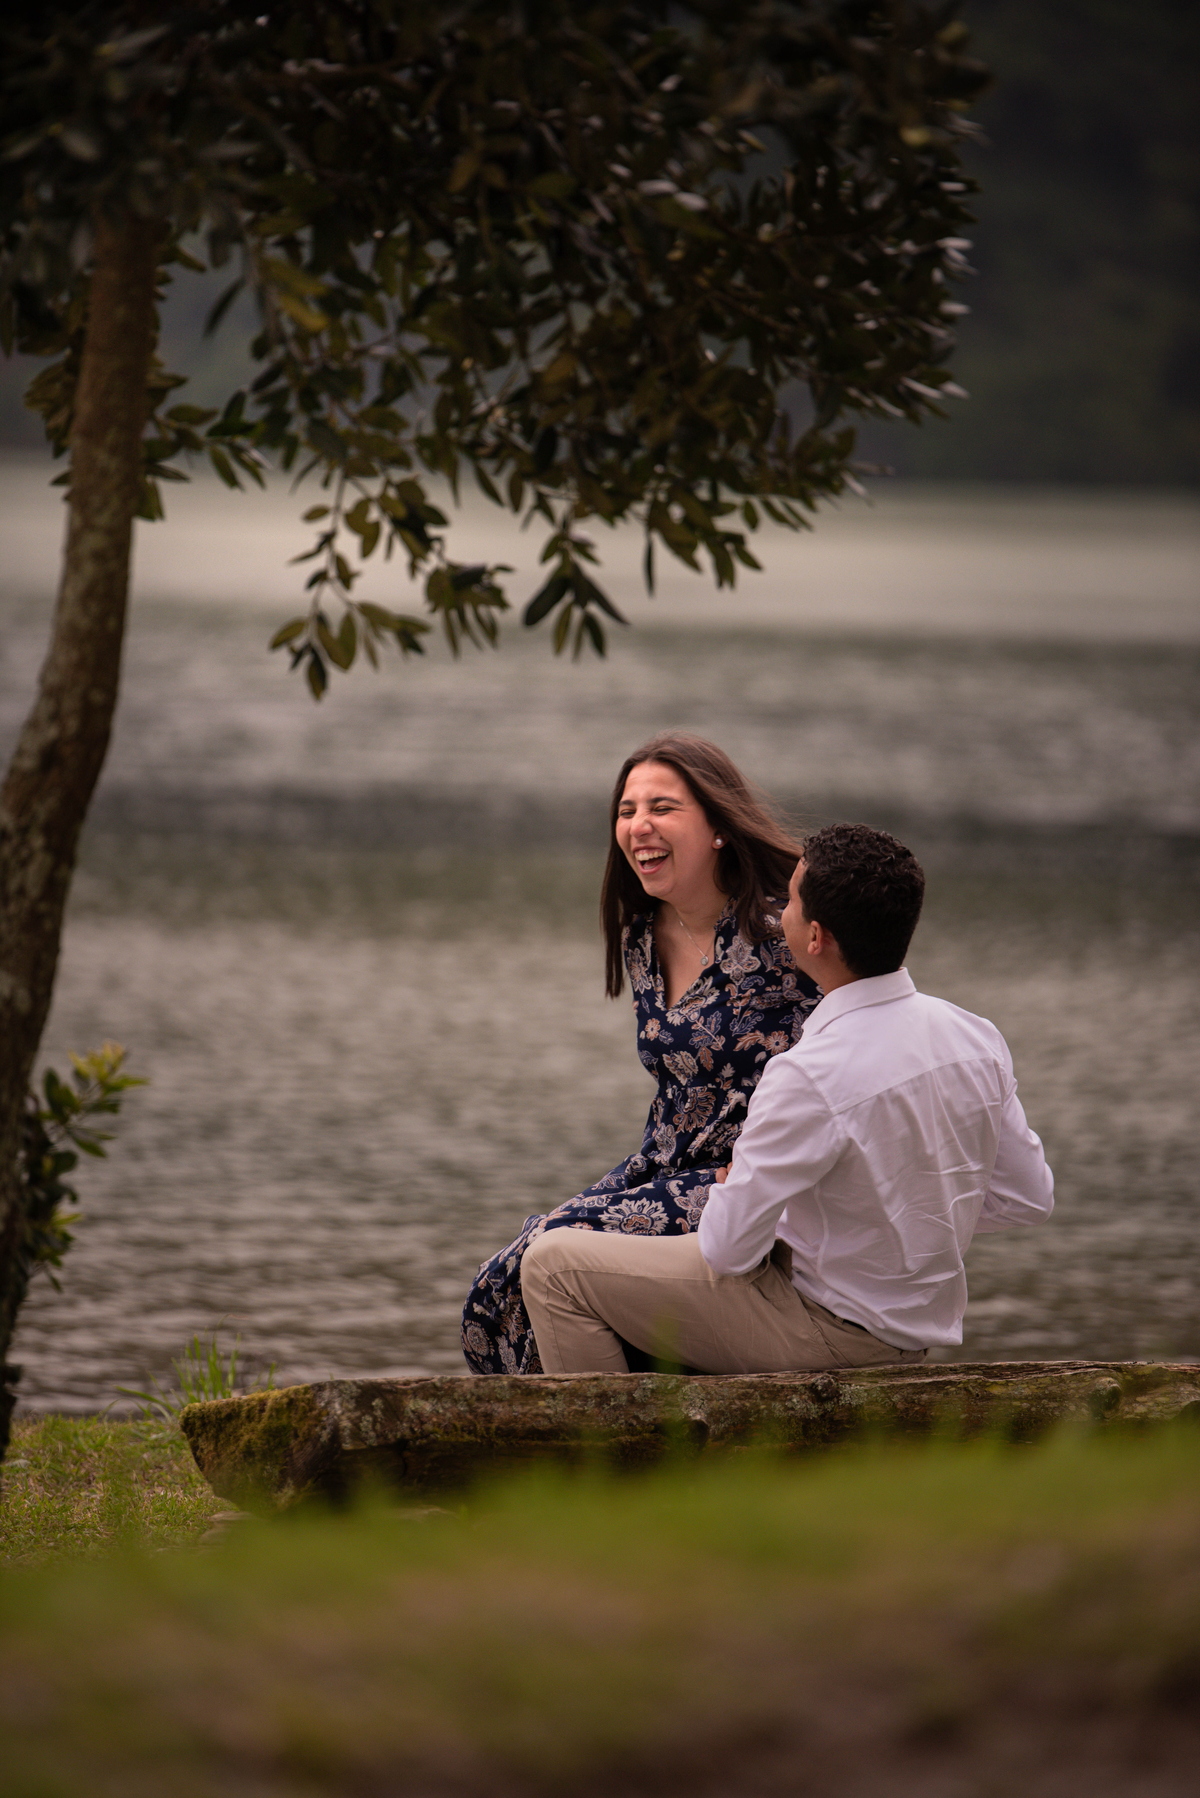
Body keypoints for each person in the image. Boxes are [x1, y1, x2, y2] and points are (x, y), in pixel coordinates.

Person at [520, 822, 1055, 1375]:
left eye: (793, 902)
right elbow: (1029, 1198)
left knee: (551, 1266)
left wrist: (740, 1192)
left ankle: (614, 1459)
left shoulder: (808, 1073)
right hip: (908, 1334)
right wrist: (909, 1212)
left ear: (817, 937)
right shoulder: (976, 1038)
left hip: (826, 1333)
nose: (781, 916)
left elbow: (727, 1250)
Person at [461, 733, 820, 1375]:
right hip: (661, 1165)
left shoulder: (785, 936)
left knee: (549, 1252)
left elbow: (853, 1056)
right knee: (498, 1284)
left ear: (717, 827)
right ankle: (540, 1450)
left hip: (746, 1177)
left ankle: (606, 1447)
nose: (638, 826)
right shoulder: (642, 937)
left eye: (662, 807)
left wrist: (770, 1164)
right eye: (626, 811)